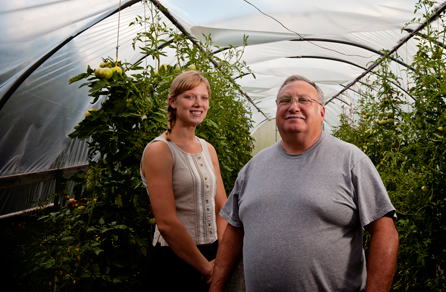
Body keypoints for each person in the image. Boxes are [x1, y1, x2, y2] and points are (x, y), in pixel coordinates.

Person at [209, 75, 399, 292]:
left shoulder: (350, 161)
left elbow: (386, 232)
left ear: (322, 112)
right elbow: (234, 230)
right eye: (285, 100)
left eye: (304, 100)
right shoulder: (253, 168)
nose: (293, 107)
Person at [140, 71, 228, 291]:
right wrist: (208, 270)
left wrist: (220, 259)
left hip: (212, 256)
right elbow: (167, 223)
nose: (198, 103)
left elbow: (222, 208)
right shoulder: (160, 150)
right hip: (173, 261)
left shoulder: (208, 149)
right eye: (190, 96)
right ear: (173, 102)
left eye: (204, 97)